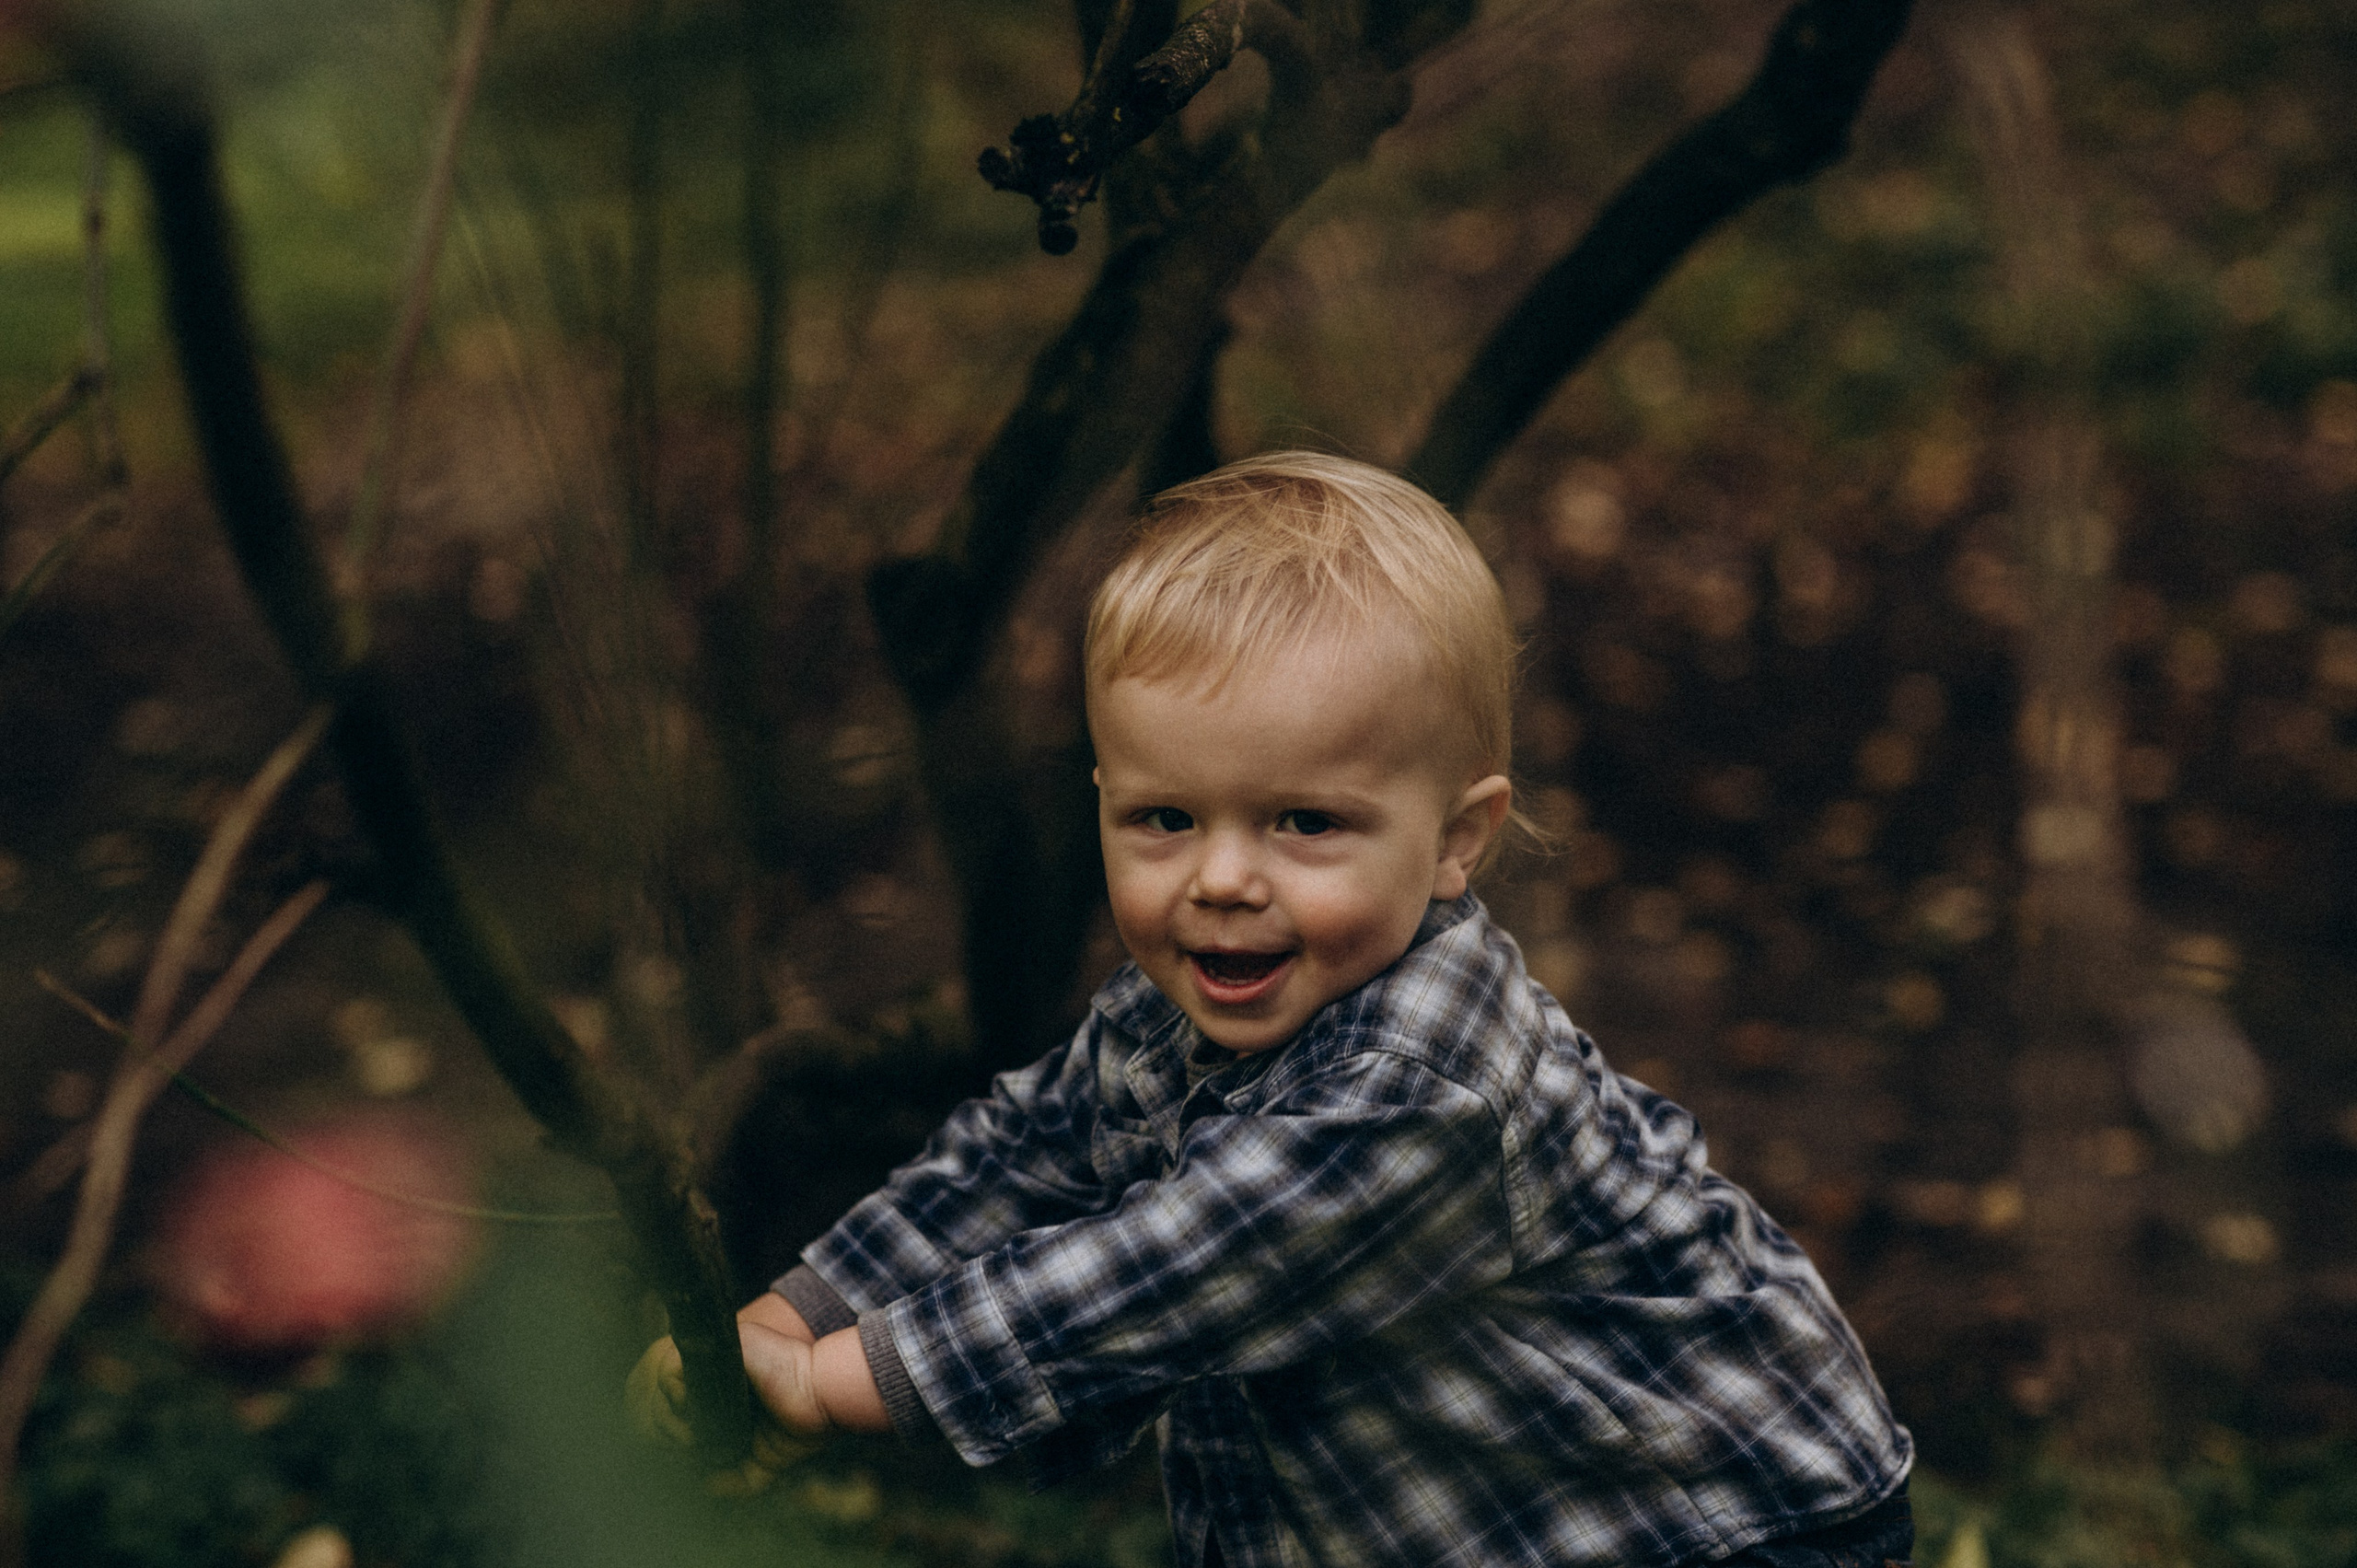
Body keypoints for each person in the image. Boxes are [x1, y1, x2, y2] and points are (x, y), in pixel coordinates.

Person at [631, 452, 1915, 1568]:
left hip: (1720, 1531)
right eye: (1164, 819)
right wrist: (797, 1311)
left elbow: (1165, 1273)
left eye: (1305, 823)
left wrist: (835, 1386)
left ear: (1458, 837)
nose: (1224, 879)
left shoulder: (1427, 1084)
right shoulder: (1166, 1014)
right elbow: (1016, 1156)